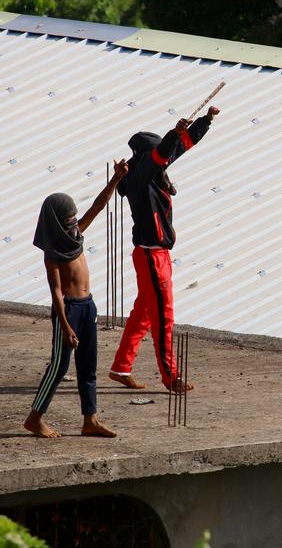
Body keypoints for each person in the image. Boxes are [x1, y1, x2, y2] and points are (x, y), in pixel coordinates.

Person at [109, 106, 219, 392]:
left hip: (155, 255)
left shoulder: (148, 171)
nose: (166, 160)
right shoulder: (140, 177)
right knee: (163, 317)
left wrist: (204, 122)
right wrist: (174, 132)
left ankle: (121, 368)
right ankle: (171, 377)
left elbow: (178, 148)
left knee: (144, 313)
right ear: (146, 157)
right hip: (150, 256)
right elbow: (165, 152)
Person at [24, 160, 128, 438]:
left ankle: (89, 420)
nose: (74, 221)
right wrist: (66, 327)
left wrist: (116, 179)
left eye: (74, 217)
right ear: (57, 222)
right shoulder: (53, 253)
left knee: (88, 365)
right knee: (59, 366)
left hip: (88, 306)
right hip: (67, 311)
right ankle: (35, 417)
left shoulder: (76, 236)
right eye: (68, 219)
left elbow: (98, 205)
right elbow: (56, 291)